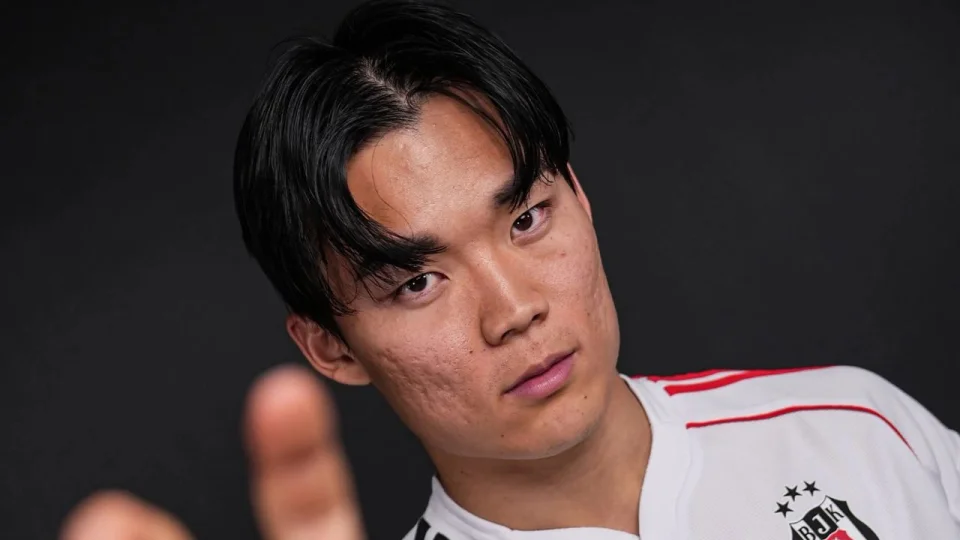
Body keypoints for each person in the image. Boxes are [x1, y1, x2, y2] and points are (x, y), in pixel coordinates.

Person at [61, 0, 960, 539]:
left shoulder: (857, 427)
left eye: (527, 219)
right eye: (416, 282)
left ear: (580, 196)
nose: (514, 309)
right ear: (331, 347)